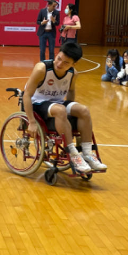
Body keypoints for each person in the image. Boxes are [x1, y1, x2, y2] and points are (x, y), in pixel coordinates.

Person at [21, 42, 108, 175]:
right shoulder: (42, 69)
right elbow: (26, 95)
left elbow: (71, 91)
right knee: (60, 110)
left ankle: (87, 153)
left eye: (66, 63)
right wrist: (31, 122)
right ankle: (73, 154)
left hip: (57, 103)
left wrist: (71, 113)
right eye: (59, 58)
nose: (60, 64)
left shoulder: (73, 74)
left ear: (74, 64)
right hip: (36, 103)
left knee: (83, 110)